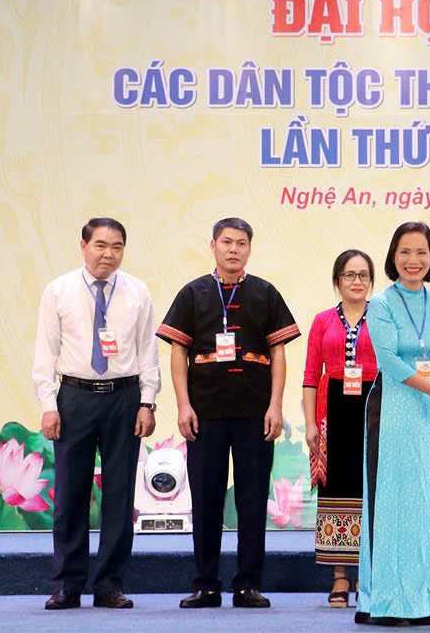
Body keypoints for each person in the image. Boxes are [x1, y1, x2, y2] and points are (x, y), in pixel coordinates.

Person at [156, 218, 300, 609]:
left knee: (252, 500)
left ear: (249, 249)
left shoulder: (265, 293)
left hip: (255, 412)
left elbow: (278, 354)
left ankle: (248, 585)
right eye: (226, 242)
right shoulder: (193, 293)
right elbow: (179, 353)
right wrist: (183, 405)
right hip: (206, 413)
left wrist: (275, 406)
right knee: (206, 499)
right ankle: (205, 585)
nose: (234, 249)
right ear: (213, 246)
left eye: (241, 243)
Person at [33, 217, 161, 610]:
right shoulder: (59, 291)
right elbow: (45, 353)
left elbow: (148, 352)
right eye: (101, 245)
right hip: (75, 397)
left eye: (117, 246)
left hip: (124, 398)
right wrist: (48, 406)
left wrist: (147, 401)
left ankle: (109, 585)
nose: (109, 254)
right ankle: (68, 584)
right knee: (71, 493)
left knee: (119, 495)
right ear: (84, 246)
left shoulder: (137, 292)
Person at [356, 221, 430, 627]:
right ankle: (384, 601)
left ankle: (422, 599)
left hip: (427, 416)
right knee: (392, 504)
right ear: (393, 256)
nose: (413, 260)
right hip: (392, 409)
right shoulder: (381, 304)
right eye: (405, 251)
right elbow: (389, 362)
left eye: (421, 252)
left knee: (425, 502)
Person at [302, 250, 378, 606]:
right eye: (349, 275)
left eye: (363, 275)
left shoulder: (383, 317)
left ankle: (367, 574)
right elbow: (309, 376)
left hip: (374, 408)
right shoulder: (322, 320)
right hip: (332, 411)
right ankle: (340, 577)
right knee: (335, 488)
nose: (357, 281)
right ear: (337, 281)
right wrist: (310, 424)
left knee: (370, 487)